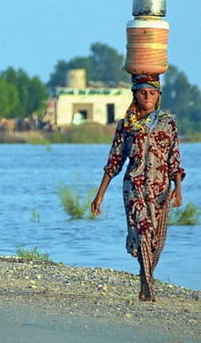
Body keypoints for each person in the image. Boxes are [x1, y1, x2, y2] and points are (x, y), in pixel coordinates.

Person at [91, 74, 184, 302]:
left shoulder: (167, 123)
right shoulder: (126, 126)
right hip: (134, 189)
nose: (147, 97)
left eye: (152, 93)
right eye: (143, 92)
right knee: (142, 234)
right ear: (135, 94)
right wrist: (99, 195)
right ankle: (148, 287)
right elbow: (114, 162)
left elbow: (174, 159)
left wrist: (178, 188)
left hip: (161, 189)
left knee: (157, 242)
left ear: (159, 96)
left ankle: (145, 277)